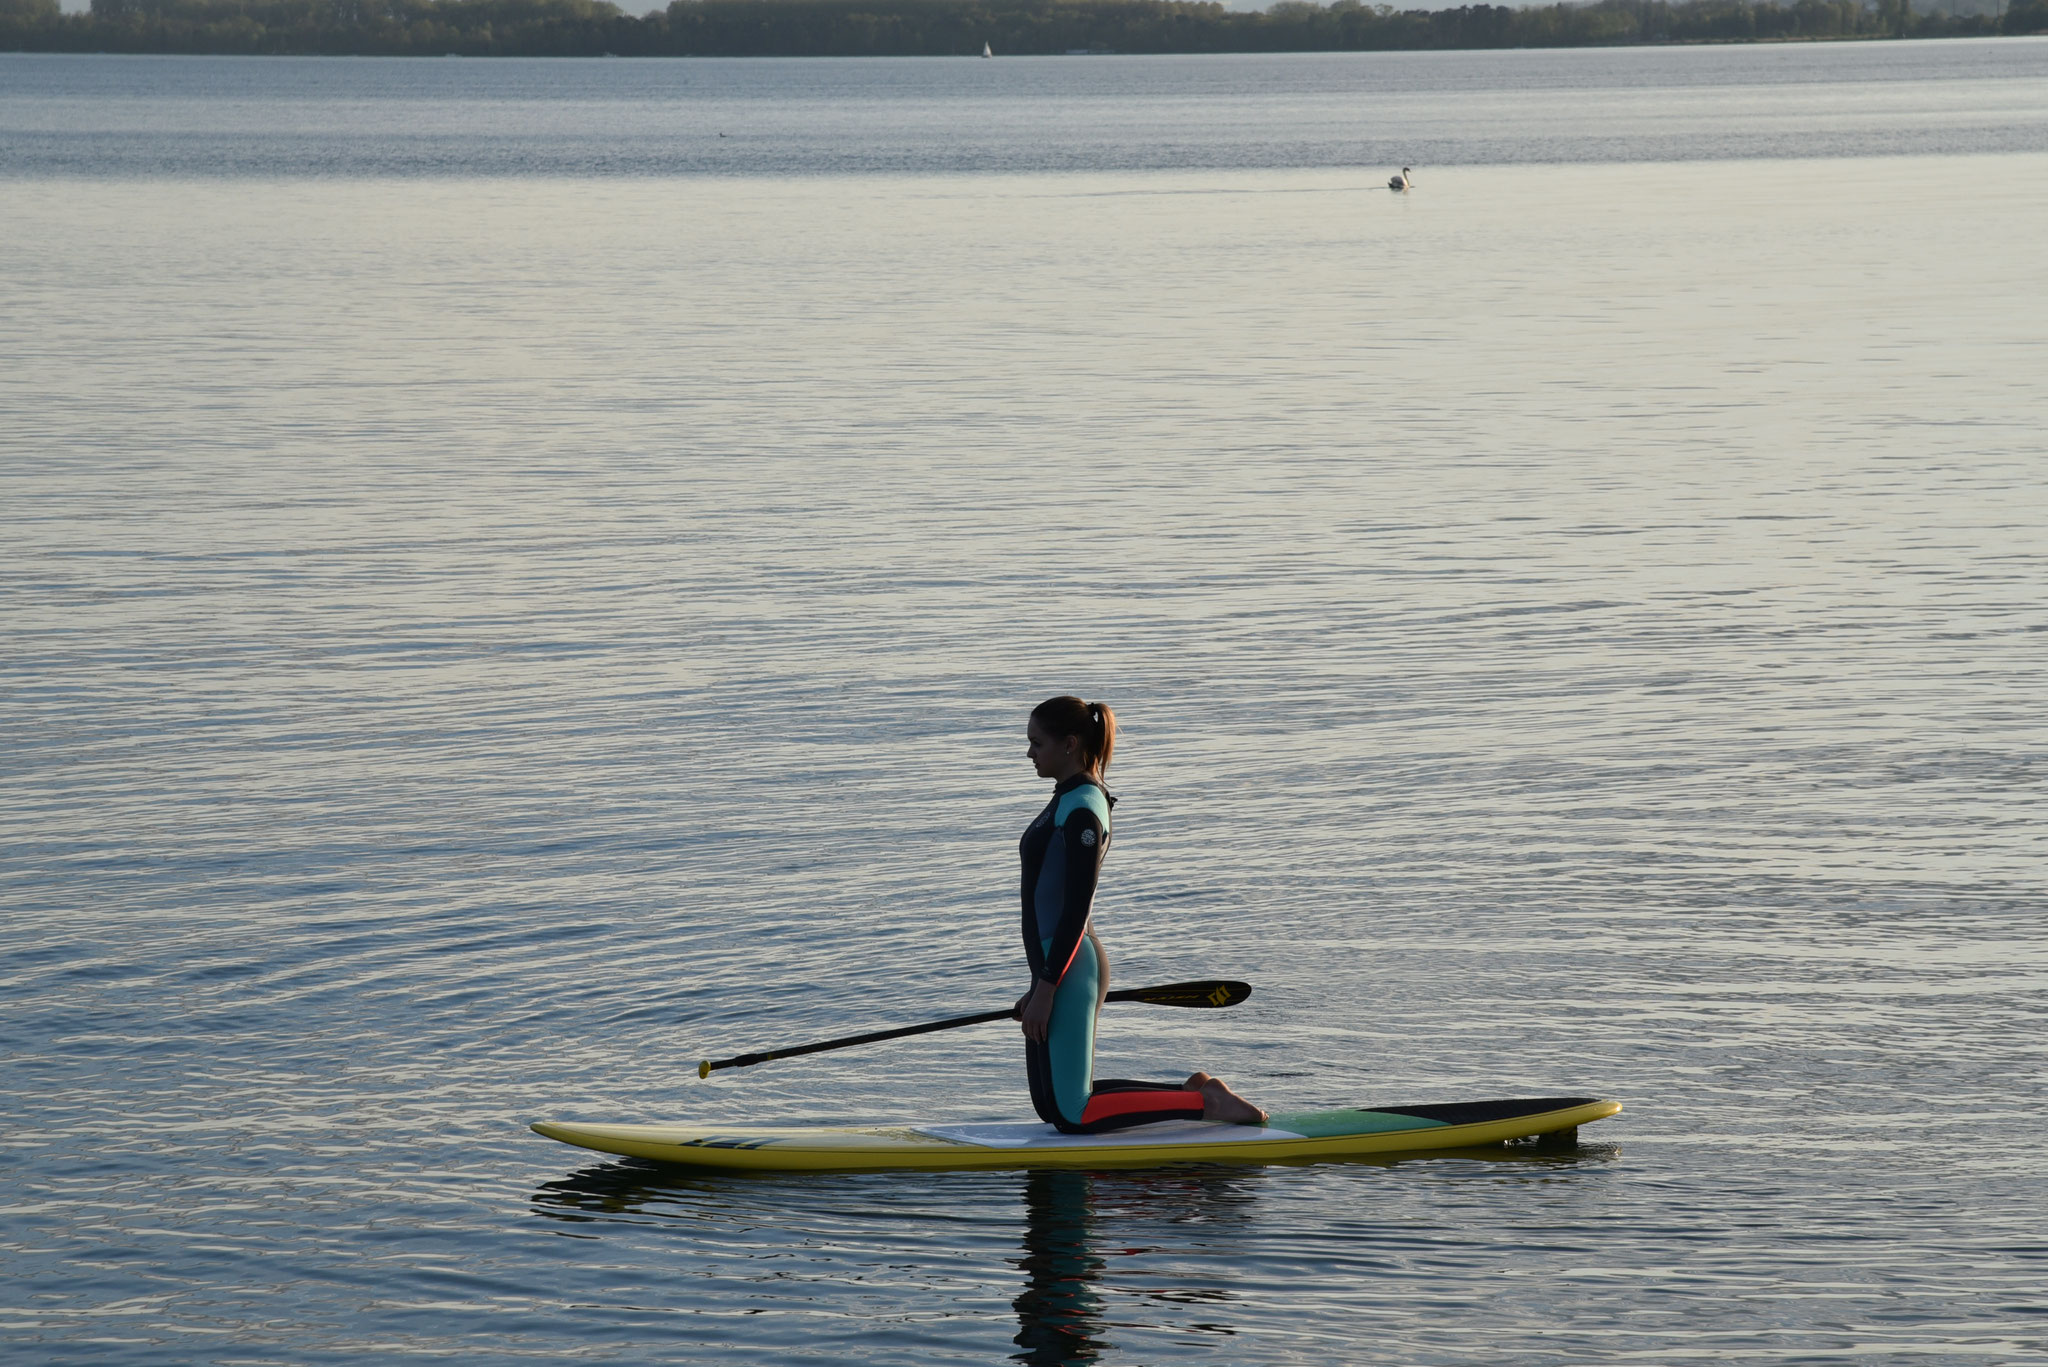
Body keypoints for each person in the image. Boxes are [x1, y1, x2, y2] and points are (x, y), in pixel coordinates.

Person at [1014, 696, 1266, 1132]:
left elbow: (1077, 905)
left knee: (1074, 1114)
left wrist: (1049, 985)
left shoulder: (1084, 807)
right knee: (1050, 1106)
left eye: (1036, 743)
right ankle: (1192, 1093)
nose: (1027, 753)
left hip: (1071, 965)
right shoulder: (1064, 800)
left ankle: (1205, 1105)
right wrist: (1037, 983)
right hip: (1054, 967)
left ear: (1070, 743)